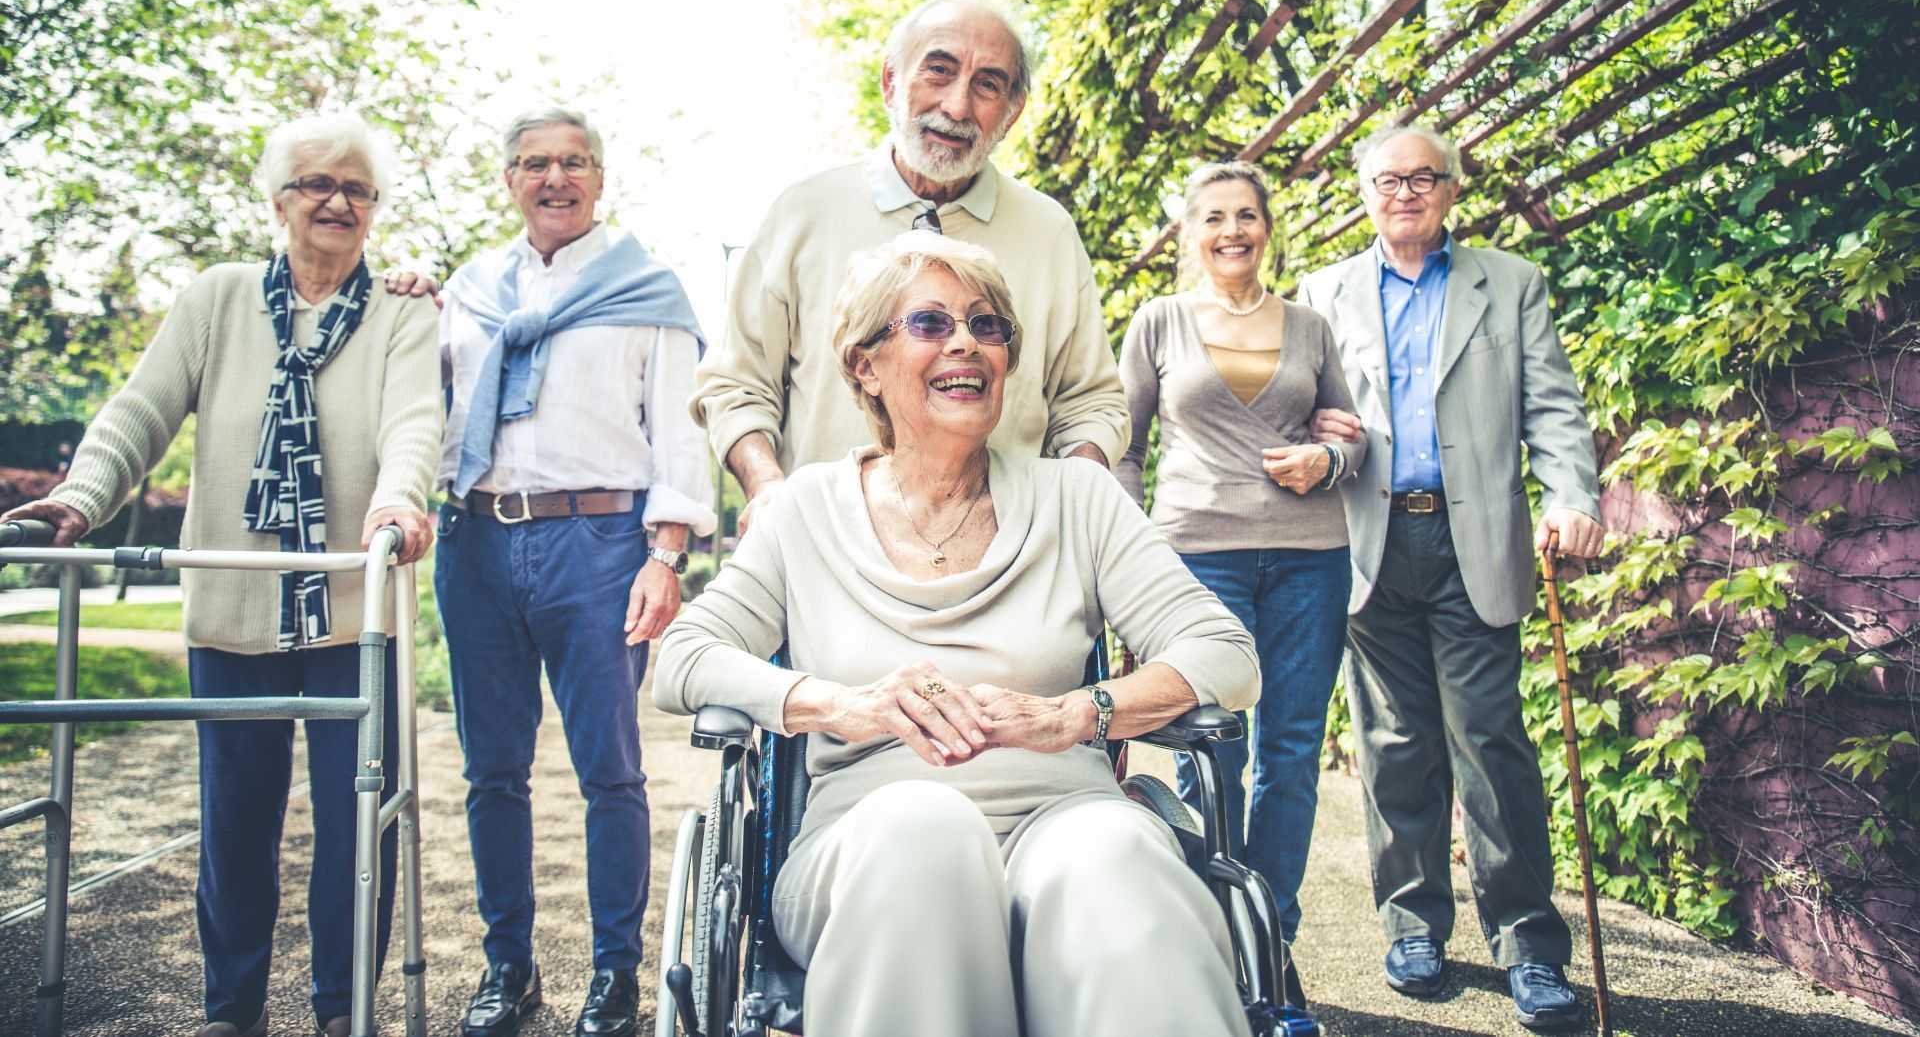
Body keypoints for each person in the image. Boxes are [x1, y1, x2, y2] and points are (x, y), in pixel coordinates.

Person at [656, 231, 1260, 1037]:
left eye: (987, 325)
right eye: (930, 325)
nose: (968, 343)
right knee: (925, 833)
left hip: (1064, 816)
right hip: (866, 841)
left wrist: (1074, 715)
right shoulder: (806, 510)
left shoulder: (1076, 498)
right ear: (865, 364)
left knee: (1113, 860)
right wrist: (842, 706)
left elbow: (1225, 653)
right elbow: (683, 659)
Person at [2, 111, 441, 1037]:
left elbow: (413, 423)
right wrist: (81, 499)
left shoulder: (404, 311)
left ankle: (340, 1011)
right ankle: (230, 1011)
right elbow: (143, 408)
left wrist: (398, 503)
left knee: (359, 828)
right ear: (278, 200)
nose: (338, 201)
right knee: (235, 828)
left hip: (351, 605)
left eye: (357, 188)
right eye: (317, 184)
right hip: (235, 605)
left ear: (374, 209)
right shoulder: (218, 298)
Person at [1298, 122, 1606, 1030]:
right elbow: (1309, 415)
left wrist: (1569, 493)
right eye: (1389, 179)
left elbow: (1552, 405)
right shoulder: (1323, 293)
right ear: (1365, 192)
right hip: (1370, 540)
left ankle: (1530, 943)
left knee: (1490, 743)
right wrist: (1315, 452)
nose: (1406, 192)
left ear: (1451, 190)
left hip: (1478, 540)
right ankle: (1413, 924)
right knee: (1393, 742)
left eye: (1425, 177)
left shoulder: (1507, 282)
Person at [435, 107, 715, 1037]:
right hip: (474, 543)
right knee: (491, 772)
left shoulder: (647, 289)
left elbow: (680, 432)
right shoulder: (469, 292)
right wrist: (402, 292)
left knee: (611, 770)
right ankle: (507, 968)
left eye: (573, 163)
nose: (554, 178)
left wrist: (665, 553)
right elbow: (424, 398)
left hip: (596, 546)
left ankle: (613, 975)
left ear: (600, 177)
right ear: (508, 180)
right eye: (534, 164)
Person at [690, 0, 1128, 533]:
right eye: (938, 71)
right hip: (826, 547)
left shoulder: (1050, 232)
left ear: (1012, 113)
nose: (957, 106)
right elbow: (736, 386)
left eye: (988, 85)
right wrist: (768, 488)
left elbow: (1089, 402)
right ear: (891, 81)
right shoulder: (804, 213)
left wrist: (1075, 501)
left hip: (1005, 555)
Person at [1117, 160, 1363, 1004]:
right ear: (1191, 232)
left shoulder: (1310, 326)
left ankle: (1273, 938)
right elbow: (1124, 447)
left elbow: (1352, 436)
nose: (1232, 231)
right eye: (1215, 217)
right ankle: (1212, 931)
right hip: (1194, 556)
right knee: (1207, 747)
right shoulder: (1158, 323)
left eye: (1246, 216)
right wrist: (1123, 559)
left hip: (1310, 558)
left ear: (1267, 228)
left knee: (1289, 756)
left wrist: (1326, 458)